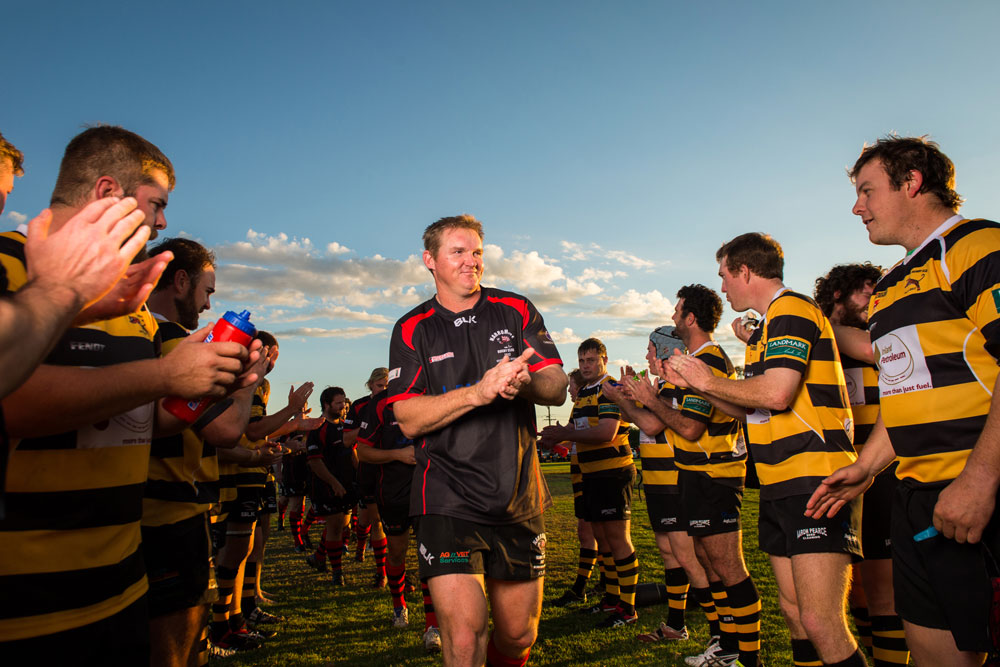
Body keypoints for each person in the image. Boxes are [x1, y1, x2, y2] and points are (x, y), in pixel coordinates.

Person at [0, 125, 257, 665]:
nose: (162, 222)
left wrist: (212, 383)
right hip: (28, 605)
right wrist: (163, 378)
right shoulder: (10, 261)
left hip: (121, 587)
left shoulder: (128, 301)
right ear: (106, 193)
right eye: (156, 204)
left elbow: (136, 421)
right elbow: (11, 403)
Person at [807, 136, 1000, 666]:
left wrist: (980, 480)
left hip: (981, 487)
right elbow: (906, 389)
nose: (856, 206)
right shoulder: (890, 286)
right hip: (917, 497)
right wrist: (866, 467)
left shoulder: (976, 247)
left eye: (867, 191)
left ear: (911, 182)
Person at [668, 233, 866, 667]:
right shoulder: (765, 330)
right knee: (795, 615)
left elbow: (777, 394)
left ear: (745, 271)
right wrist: (698, 385)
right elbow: (752, 409)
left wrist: (706, 381)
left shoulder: (792, 308)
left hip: (816, 479)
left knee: (820, 620)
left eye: (724, 276)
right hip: (780, 484)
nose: (722, 288)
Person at [388, 214, 566, 667]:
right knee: (464, 640)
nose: (472, 262)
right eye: (458, 252)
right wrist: (479, 392)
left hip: (516, 494)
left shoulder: (515, 309)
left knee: (516, 636)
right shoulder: (413, 328)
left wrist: (523, 382)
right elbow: (407, 418)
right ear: (429, 260)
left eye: (477, 253)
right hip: (446, 498)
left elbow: (557, 384)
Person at [618, 285, 761, 666]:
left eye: (677, 310)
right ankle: (726, 646)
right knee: (711, 563)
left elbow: (692, 428)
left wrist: (648, 400)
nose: (672, 316)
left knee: (728, 567)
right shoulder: (699, 358)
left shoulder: (707, 359)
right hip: (697, 474)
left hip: (715, 474)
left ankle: (747, 658)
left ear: (691, 318)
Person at [143, 237, 269, 666]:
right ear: (180, 281)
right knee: (180, 650)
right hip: (170, 511)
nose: (208, 307)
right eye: (206, 292)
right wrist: (248, 375)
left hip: (136, 507)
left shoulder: (133, 333)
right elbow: (227, 430)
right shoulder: (175, 342)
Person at [815, 263, 910, 666]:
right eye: (865, 292)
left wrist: (814, 326)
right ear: (838, 294)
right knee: (852, 590)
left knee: (882, 588)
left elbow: (872, 349)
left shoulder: (874, 336)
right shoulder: (819, 342)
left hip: (881, 472)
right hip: (833, 472)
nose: (873, 301)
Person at [540, 338, 639, 629]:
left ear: (604, 361)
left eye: (591, 360)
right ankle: (610, 599)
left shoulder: (609, 389)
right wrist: (556, 435)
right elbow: (579, 431)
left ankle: (628, 608)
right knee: (604, 540)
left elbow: (607, 433)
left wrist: (564, 434)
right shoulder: (584, 393)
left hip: (613, 472)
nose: (585, 366)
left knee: (618, 540)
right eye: (582, 361)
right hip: (592, 474)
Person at [356, 384, 442, 652]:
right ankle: (399, 607)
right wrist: (398, 455)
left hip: (431, 489)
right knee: (396, 553)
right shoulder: (381, 403)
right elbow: (363, 451)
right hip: (393, 492)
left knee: (432, 555)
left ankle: (432, 626)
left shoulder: (436, 388)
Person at [549, 369, 603, 608]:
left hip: (589, 475)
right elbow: (571, 437)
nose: (569, 390)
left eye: (571, 386)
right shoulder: (578, 406)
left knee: (588, 533)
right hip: (580, 473)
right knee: (595, 533)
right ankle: (604, 581)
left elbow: (579, 435)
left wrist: (559, 435)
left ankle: (581, 586)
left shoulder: (586, 405)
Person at [304, 386, 356, 585]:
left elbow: (352, 452)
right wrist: (334, 483)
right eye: (339, 403)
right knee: (335, 527)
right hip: (326, 486)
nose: (343, 406)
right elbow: (315, 462)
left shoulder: (345, 426)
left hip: (347, 484)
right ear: (327, 405)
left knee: (342, 524)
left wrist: (358, 475)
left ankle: (318, 557)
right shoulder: (317, 428)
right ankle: (337, 573)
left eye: (344, 402)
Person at [343, 367, 390, 586]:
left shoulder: (394, 402)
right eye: (380, 385)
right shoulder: (359, 405)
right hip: (368, 467)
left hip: (393, 466)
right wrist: (369, 428)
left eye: (387, 386)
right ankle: (381, 572)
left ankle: (388, 571)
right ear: (370, 384)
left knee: (386, 521)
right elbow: (346, 440)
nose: (383, 389)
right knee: (372, 520)